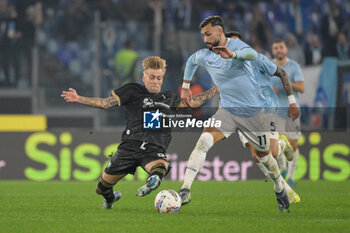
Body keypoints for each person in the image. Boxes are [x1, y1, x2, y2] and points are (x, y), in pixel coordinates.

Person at [61, 56, 218, 209]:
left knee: (160, 166)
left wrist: (217, 89)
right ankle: (110, 198)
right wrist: (78, 98)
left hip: (153, 148)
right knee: (101, 188)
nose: (155, 81)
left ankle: (154, 180)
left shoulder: (169, 98)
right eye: (152, 77)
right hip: (129, 147)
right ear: (144, 77)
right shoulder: (132, 90)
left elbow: (196, 101)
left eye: (159, 78)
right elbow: (105, 103)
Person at [179, 16, 299, 213]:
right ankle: (185, 189)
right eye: (203, 35)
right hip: (227, 111)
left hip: (254, 113)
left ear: (219, 32)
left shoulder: (238, 47)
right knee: (203, 141)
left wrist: (233, 55)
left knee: (266, 156)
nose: (205, 39)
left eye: (208, 34)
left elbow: (250, 54)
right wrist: (185, 87)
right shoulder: (205, 54)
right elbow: (192, 60)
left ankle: (279, 187)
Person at [225, 31, 300, 203]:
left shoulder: (256, 58)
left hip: (266, 110)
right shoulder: (225, 66)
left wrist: (292, 102)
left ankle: (282, 143)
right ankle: (286, 191)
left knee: (272, 153)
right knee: (256, 155)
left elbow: (282, 74)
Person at [270, 40, 305, 188]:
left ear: (286, 49)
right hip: (275, 111)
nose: (279, 50)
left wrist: (287, 83)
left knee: (293, 144)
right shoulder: (269, 66)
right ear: (273, 51)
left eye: (281, 47)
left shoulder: (294, 67)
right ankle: (283, 169)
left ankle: (291, 177)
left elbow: (302, 88)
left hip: (292, 111)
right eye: (276, 48)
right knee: (277, 141)